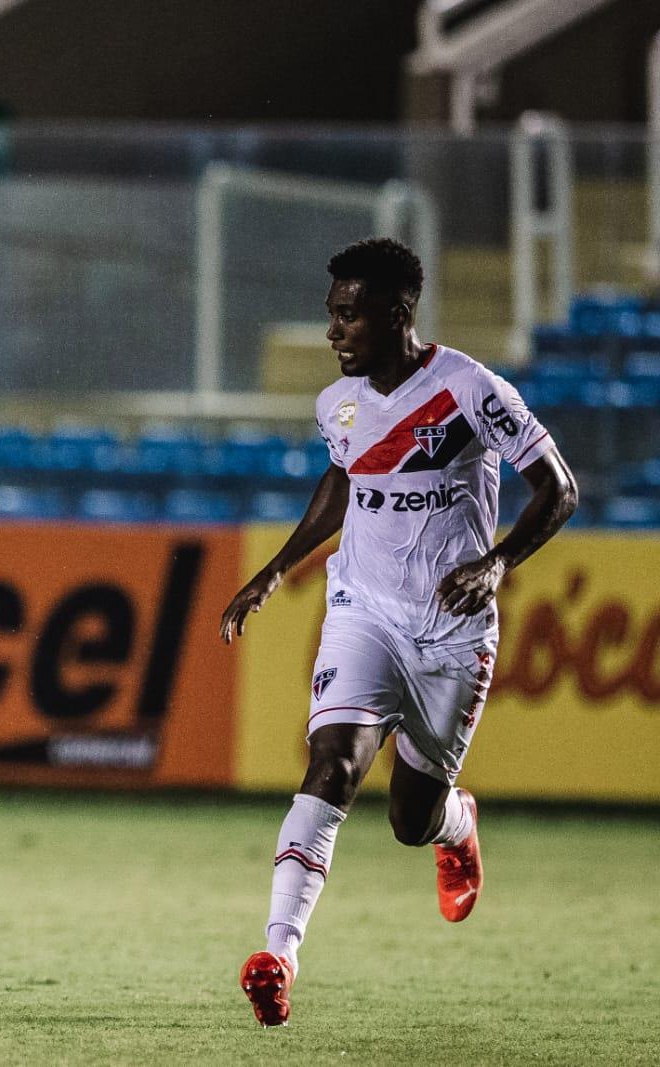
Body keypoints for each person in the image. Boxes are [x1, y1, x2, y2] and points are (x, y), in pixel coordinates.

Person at [220, 239, 578, 1027]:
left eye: (349, 315)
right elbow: (345, 480)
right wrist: (276, 569)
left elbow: (559, 488)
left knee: (410, 819)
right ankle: (277, 953)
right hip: (364, 614)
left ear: (397, 314)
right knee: (333, 764)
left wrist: (498, 561)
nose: (333, 332)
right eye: (331, 315)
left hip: (453, 633)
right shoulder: (335, 405)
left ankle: (456, 823)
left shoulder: (467, 389)